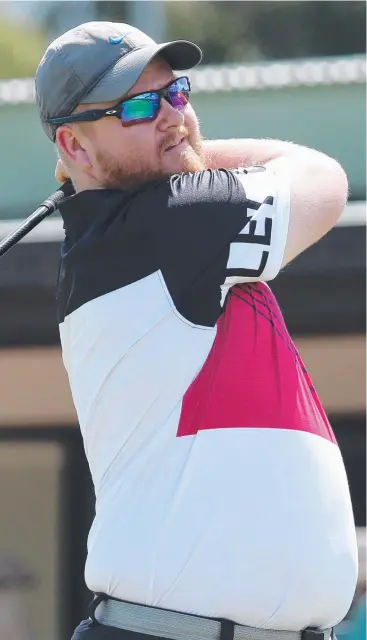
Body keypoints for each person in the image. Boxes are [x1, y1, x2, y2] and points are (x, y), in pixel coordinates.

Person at [35, 20, 358, 640]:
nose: (171, 115)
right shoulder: (175, 224)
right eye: (136, 105)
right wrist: (189, 156)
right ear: (74, 147)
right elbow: (321, 177)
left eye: (176, 92)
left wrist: (172, 145)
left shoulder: (153, 231)